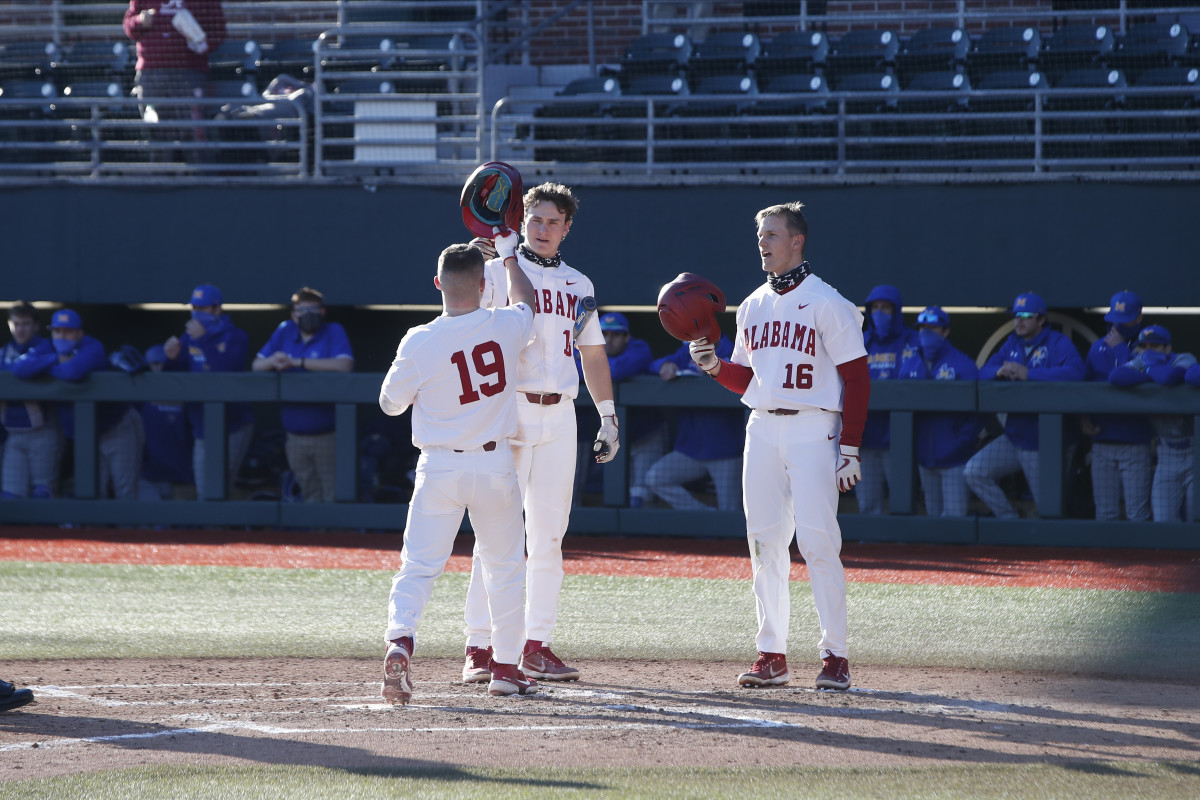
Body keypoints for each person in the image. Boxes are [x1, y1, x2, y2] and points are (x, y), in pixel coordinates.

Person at [689, 201, 870, 691]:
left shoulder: (828, 301)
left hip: (816, 427)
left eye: (772, 234)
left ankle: (836, 656)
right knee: (764, 544)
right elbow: (747, 379)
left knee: (818, 543)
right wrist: (713, 368)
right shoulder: (752, 304)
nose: (762, 242)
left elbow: (857, 378)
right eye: (760, 234)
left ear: (797, 241)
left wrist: (850, 448)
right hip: (763, 427)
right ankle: (772, 654)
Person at [461, 183, 617, 685]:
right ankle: (479, 646)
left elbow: (591, 351)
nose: (544, 229)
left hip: (561, 414)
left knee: (549, 538)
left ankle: (535, 645)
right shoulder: (494, 270)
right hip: (507, 411)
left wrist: (608, 416)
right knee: (495, 535)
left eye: (554, 222)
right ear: (520, 220)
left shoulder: (579, 282)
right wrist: (482, 256)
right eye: (536, 220)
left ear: (567, 227)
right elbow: (455, 316)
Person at [378, 236, 538, 703]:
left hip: (440, 466)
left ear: (437, 284)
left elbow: (390, 405)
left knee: (419, 567)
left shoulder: (420, 338)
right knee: (505, 569)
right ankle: (506, 667)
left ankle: (400, 640)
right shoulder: (506, 323)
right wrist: (508, 257)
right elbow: (526, 300)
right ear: (483, 284)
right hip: (493, 464)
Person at [964, 292, 1085, 519]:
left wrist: (1029, 374)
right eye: (1016, 315)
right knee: (974, 472)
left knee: (1048, 510)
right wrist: (998, 371)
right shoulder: (1012, 343)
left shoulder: (1057, 343)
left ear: (1041, 320)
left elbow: (1076, 372)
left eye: (1026, 316)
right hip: (1015, 436)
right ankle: (1009, 518)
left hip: (1044, 440)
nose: (1018, 321)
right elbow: (983, 372)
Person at [11, 309, 144, 500]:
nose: (61, 336)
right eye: (57, 331)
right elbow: (19, 369)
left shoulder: (92, 346)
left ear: (79, 333)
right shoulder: (49, 347)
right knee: (92, 493)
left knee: (125, 491)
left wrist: (42, 367)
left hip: (116, 427)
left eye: (67, 331)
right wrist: (54, 359)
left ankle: (129, 529)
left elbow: (71, 372)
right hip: (86, 436)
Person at [252, 287, 355, 503]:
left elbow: (344, 365)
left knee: (333, 493)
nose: (307, 314)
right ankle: (315, 537)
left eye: (312, 309)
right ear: (293, 314)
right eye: (301, 310)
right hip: (295, 435)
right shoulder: (285, 330)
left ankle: (336, 537)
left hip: (327, 433)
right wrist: (275, 360)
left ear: (322, 312)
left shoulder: (333, 330)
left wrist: (298, 362)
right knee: (309, 493)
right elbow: (257, 365)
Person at [163, 284, 253, 499]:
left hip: (232, 425)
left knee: (220, 488)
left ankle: (223, 532)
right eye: (194, 307)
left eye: (203, 308)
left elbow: (224, 371)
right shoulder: (189, 336)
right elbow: (177, 374)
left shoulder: (236, 336)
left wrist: (204, 339)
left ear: (217, 310)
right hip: (202, 426)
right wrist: (171, 358)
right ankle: (212, 533)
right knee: (205, 492)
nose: (197, 313)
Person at [896, 307, 982, 517]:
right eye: (923, 327)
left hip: (955, 460)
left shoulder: (962, 364)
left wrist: (960, 444)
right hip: (925, 459)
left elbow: (978, 415)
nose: (926, 332)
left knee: (954, 521)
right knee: (933, 520)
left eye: (933, 327)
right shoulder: (910, 365)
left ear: (945, 331)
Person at [573, 311, 662, 507]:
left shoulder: (640, 348)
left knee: (641, 494)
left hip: (645, 434)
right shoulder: (584, 347)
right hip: (607, 434)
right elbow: (565, 367)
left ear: (626, 337)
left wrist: (588, 365)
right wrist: (591, 365)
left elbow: (617, 370)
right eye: (604, 334)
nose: (609, 339)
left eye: (616, 335)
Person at [645, 336, 744, 511]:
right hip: (689, 451)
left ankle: (720, 529)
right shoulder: (687, 351)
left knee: (730, 512)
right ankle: (706, 515)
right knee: (655, 478)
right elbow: (654, 364)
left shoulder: (736, 353)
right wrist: (663, 366)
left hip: (726, 452)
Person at [1110, 325, 1197, 523]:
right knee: (1162, 520)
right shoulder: (1142, 360)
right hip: (1166, 454)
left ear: (1168, 348)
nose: (1149, 350)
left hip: (1194, 451)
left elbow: (1169, 377)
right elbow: (1115, 377)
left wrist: (1148, 370)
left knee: (1196, 519)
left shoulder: (1184, 358)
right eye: (1144, 346)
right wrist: (1148, 369)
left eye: (1155, 346)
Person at [1081, 290, 1153, 521]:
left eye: (1125, 320)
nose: (1118, 325)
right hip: (1102, 440)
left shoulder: (1151, 346)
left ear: (1139, 318)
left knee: (1137, 514)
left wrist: (1120, 349)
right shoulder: (1097, 347)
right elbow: (1083, 388)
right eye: (1115, 319)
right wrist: (1083, 417)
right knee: (1105, 514)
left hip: (1135, 441)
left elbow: (1131, 376)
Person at [123, 1, 227, 160]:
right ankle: (161, 178)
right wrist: (140, 21)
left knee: (192, 130)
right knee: (155, 129)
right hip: (151, 73)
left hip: (189, 72)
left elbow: (218, 29)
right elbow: (130, 27)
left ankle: (199, 178)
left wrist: (204, 44)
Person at [859, 285, 919, 514]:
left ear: (896, 311)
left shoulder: (911, 340)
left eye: (885, 308)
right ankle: (869, 548)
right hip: (866, 436)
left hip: (898, 438)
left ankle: (904, 547)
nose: (880, 313)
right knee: (867, 502)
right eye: (875, 308)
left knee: (901, 500)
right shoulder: (862, 341)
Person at [1, 302, 62, 499]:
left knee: (42, 493)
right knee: (11, 497)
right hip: (13, 433)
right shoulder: (4, 352)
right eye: (16, 324)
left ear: (35, 325)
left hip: (43, 432)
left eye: (26, 324)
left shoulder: (44, 347)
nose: (20, 329)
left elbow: (23, 369)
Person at [137, 345, 195, 500]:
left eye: (163, 363)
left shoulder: (187, 396)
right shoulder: (138, 396)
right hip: (148, 478)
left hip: (183, 479)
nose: (160, 368)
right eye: (154, 364)